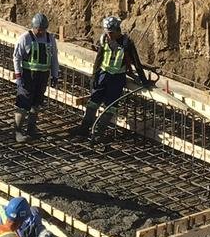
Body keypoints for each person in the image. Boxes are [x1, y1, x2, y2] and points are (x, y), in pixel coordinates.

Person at [70, 15, 150, 140]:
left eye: (111, 33)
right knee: (93, 102)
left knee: (110, 106)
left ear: (118, 31)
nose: (109, 35)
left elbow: (136, 62)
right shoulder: (104, 39)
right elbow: (99, 58)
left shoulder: (126, 43)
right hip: (103, 74)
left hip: (117, 79)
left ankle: (98, 132)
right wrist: (95, 75)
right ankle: (84, 128)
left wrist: (144, 80)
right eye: (107, 32)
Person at [12, 13, 60, 144]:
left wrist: (55, 75)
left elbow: (54, 57)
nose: (41, 32)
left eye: (43, 29)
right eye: (38, 29)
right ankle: (17, 130)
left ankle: (31, 128)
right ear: (33, 27)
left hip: (42, 76)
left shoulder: (50, 39)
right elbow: (16, 58)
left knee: (36, 102)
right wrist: (18, 76)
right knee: (23, 103)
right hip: (28, 75)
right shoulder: (25, 38)